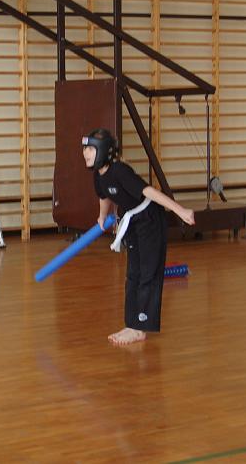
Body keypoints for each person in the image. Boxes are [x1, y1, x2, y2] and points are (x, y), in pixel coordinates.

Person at [82, 129, 195, 345]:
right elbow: (104, 196)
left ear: (103, 150)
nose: (85, 153)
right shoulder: (98, 175)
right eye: (84, 149)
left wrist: (179, 210)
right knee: (133, 274)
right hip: (132, 220)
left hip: (150, 219)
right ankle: (131, 324)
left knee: (148, 274)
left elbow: (149, 191)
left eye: (90, 149)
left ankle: (140, 327)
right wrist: (102, 216)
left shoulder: (120, 171)